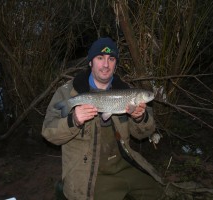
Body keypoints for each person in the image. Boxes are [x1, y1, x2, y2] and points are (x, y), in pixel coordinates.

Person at [42, 37, 164, 200]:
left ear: (115, 64)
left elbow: (143, 134)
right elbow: (48, 133)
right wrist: (74, 120)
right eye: (100, 58)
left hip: (124, 163)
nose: (106, 64)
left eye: (111, 59)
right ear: (91, 62)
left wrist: (140, 118)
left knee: (158, 192)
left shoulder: (126, 90)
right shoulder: (66, 92)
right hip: (90, 172)